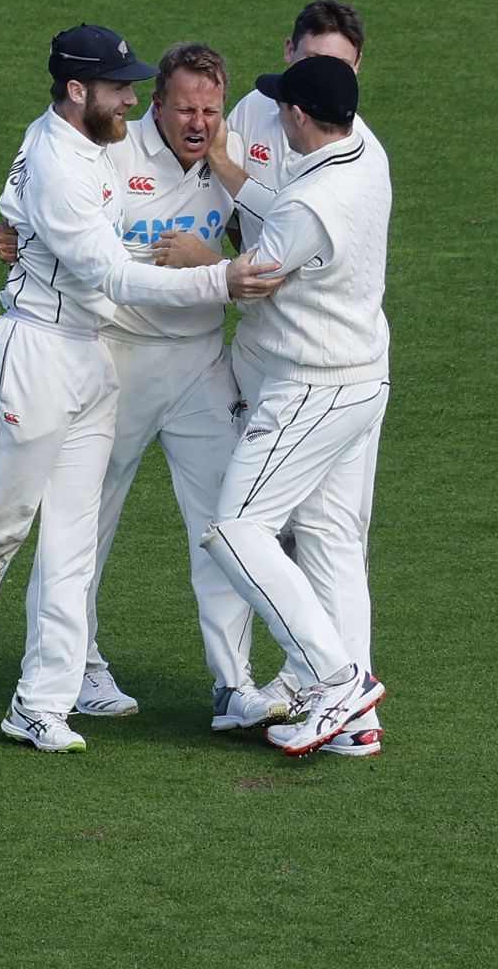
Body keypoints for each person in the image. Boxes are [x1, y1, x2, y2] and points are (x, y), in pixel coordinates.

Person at [0, 24, 283, 754]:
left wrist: (18, 232)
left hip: (92, 360)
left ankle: (43, 701)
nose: (129, 100)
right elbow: (110, 274)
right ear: (77, 90)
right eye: (119, 88)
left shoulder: (88, 147)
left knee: (72, 536)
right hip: (35, 351)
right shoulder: (59, 162)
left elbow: (43, 228)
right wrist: (219, 277)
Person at [0, 43, 285, 730]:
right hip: (116, 358)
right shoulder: (112, 149)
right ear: (156, 104)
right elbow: (46, 208)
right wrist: (17, 234)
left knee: (223, 524)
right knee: (82, 526)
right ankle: (81, 669)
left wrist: (214, 249)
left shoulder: (231, 155)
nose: (198, 120)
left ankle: (233, 685)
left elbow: (277, 243)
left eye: (210, 109)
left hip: (199, 364)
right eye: (184, 106)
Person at [185, 54, 392, 757]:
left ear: (301, 117)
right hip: (364, 380)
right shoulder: (366, 150)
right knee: (332, 542)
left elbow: (256, 279)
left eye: (282, 109)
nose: (275, 116)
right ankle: (356, 722)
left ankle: (337, 681)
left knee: (238, 528)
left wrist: (194, 261)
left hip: (311, 388)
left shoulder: (311, 203)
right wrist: (231, 171)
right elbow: (285, 218)